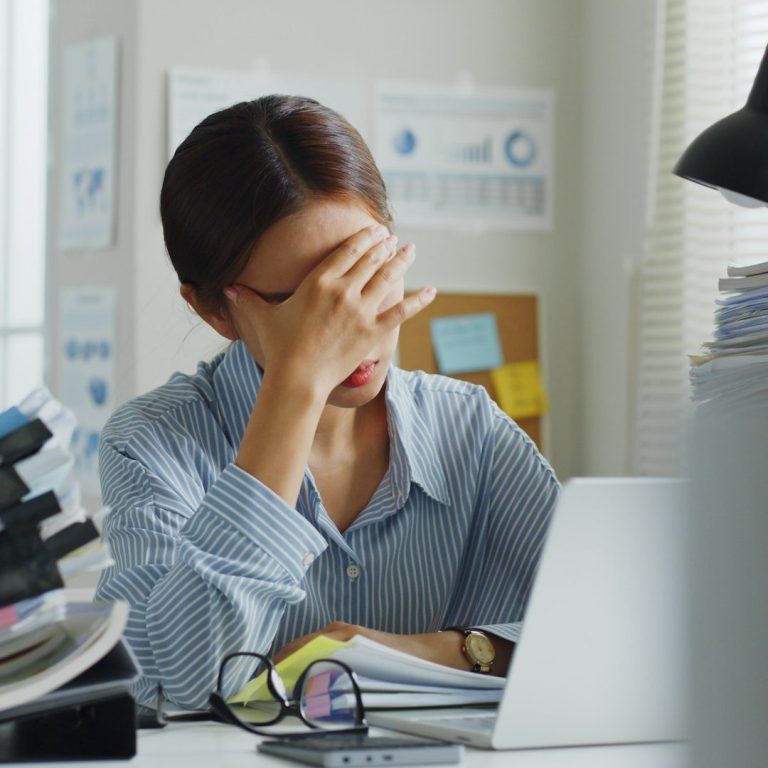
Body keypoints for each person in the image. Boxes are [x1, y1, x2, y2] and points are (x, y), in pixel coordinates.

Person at [95, 95, 559, 710]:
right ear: (213, 309)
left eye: (366, 273)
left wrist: (418, 650)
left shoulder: (470, 429)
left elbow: (613, 633)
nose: (353, 323)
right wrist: (297, 384)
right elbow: (180, 678)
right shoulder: (152, 442)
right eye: (303, 302)